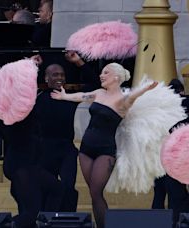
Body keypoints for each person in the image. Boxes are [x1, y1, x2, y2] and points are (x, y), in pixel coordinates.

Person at [51, 62, 158, 228]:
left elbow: (133, 96)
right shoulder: (99, 93)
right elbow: (83, 96)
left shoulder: (122, 100)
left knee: (96, 192)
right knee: (94, 195)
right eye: (101, 73)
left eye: (105, 73)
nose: (101, 75)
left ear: (116, 77)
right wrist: (65, 97)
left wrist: (145, 88)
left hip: (105, 151)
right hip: (85, 149)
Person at [33, 51, 99, 212]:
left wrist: (79, 62)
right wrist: (30, 66)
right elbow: (17, 88)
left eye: (62, 75)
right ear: (46, 78)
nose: (60, 78)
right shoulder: (37, 98)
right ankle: (45, 220)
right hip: (44, 149)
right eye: (55, 75)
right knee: (46, 188)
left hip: (66, 149)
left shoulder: (70, 97)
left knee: (68, 186)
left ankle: (68, 220)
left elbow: (95, 85)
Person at [152, 78, 189, 209]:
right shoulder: (187, 100)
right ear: (182, 90)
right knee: (178, 184)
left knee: (160, 189)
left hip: (162, 144)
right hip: (181, 145)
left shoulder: (162, 103)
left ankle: (157, 220)